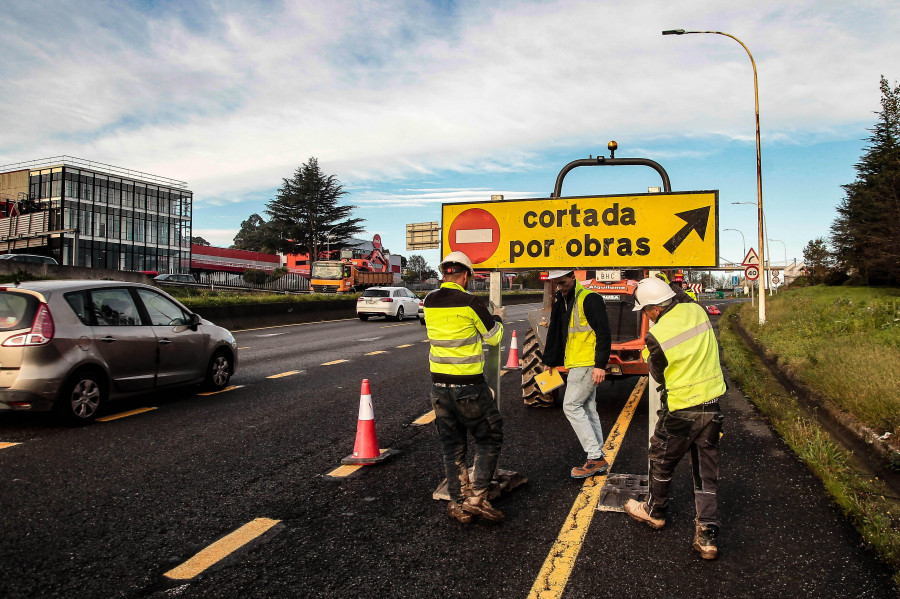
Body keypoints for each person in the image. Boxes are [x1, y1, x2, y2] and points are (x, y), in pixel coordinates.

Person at [623, 277, 726, 560]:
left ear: (654, 309)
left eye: (645, 311)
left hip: (681, 411)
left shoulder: (656, 336)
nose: (646, 316)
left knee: (661, 459)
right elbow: (682, 296)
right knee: (705, 473)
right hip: (712, 406)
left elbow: (658, 375)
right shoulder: (696, 311)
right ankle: (707, 536)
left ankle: (655, 512)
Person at [424, 251, 507, 524]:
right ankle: (477, 498)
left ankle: (459, 503)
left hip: (439, 386)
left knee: (452, 445)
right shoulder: (470, 302)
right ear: (466, 275)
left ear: (443, 274)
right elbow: (493, 339)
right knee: (489, 437)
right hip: (468, 386)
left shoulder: (429, 301)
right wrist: (499, 318)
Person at [542, 269, 612, 478]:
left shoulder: (590, 299)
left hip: (587, 362)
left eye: (563, 282)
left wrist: (600, 364)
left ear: (574, 277)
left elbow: (604, 332)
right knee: (588, 408)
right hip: (578, 363)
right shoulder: (563, 299)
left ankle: (595, 457)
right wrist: (550, 362)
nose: (560, 287)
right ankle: (597, 455)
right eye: (557, 284)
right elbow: (556, 331)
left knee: (571, 405)